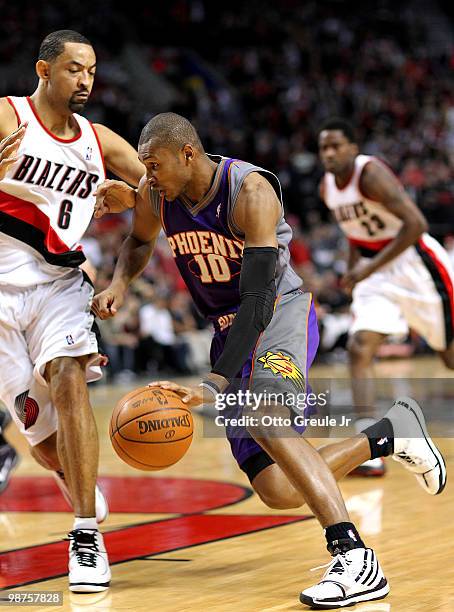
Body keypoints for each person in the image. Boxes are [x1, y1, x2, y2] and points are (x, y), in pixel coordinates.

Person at [93, 112, 446, 608]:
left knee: (264, 414)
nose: (146, 176)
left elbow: (258, 298)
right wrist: (118, 283)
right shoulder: (157, 194)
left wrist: (214, 383)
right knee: (279, 489)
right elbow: (139, 240)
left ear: (187, 154)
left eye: (154, 165)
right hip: (226, 331)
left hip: (277, 312)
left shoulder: (250, 191)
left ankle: (354, 557)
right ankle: (390, 434)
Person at [0, 30, 144, 592]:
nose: (85, 81)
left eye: (91, 71)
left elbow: (160, 184)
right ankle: (72, 476)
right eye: (74, 70)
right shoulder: (7, 118)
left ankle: (85, 535)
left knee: (69, 378)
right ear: (43, 69)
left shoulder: (99, 139)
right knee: (44, 447)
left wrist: (131, 196)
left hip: (61, 282)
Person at [318, 118, 454, 477]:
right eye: (323, 147)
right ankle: (370, 447)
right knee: (359, 347)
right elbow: (354, 232)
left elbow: (416, 225)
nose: (329, 153)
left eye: (336, 146)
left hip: (417, 266)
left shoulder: (371, 174)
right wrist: (354, 270)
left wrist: (366, 268)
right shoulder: (327, 188)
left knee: (450, 358)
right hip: (375, 270)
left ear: (352, 148)